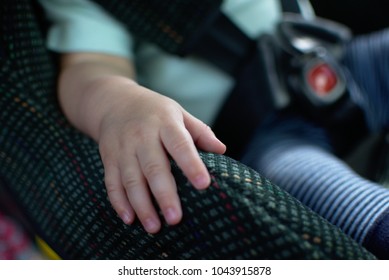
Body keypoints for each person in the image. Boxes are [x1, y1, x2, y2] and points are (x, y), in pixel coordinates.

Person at [37, 0, 389, 258]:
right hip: (264, 136)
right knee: (326, 195)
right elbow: (89, 66)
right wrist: (121, 106)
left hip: (331, 60)